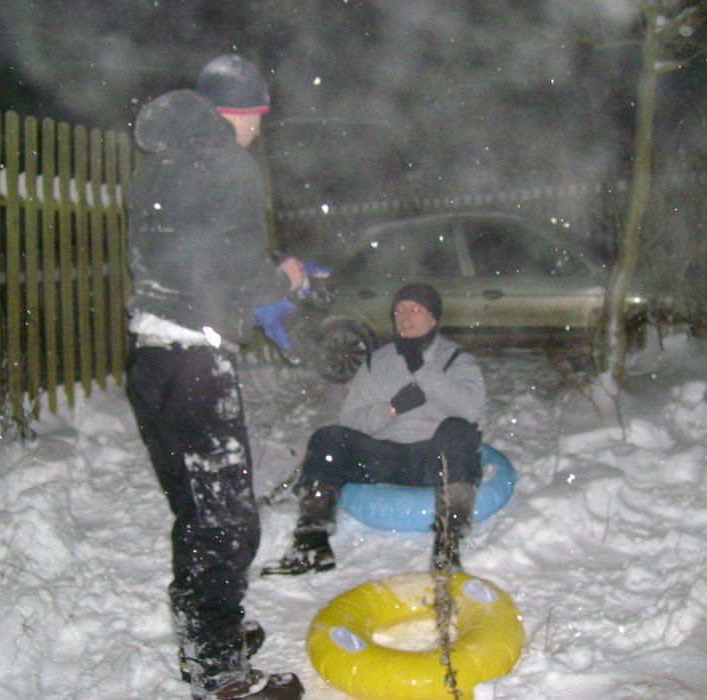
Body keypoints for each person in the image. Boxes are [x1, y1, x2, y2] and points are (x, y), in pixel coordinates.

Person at [124, 54, 304, 699]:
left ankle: (210, 633)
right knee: (225, 520)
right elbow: (240, 273)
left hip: (152, 359)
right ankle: (222, 678)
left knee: (195, 511)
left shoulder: (156, 167)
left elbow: (188, 259)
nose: (259, 132)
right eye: (258, 118)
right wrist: (286, 277)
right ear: (241, 114)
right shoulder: (228, 164)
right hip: (197, 364)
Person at [262, 283, 487, 577]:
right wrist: (391, 409)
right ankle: (311, 543)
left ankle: (448, 545)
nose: (404, 316)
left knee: (459, 431)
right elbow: (350, 421)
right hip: (385, 456)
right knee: (328, 438)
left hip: (433, 459)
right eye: (399, 310)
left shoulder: (458, 360)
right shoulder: (376, 362)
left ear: (434, 317)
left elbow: (471, 410)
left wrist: (424, 372)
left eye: (414, 309)